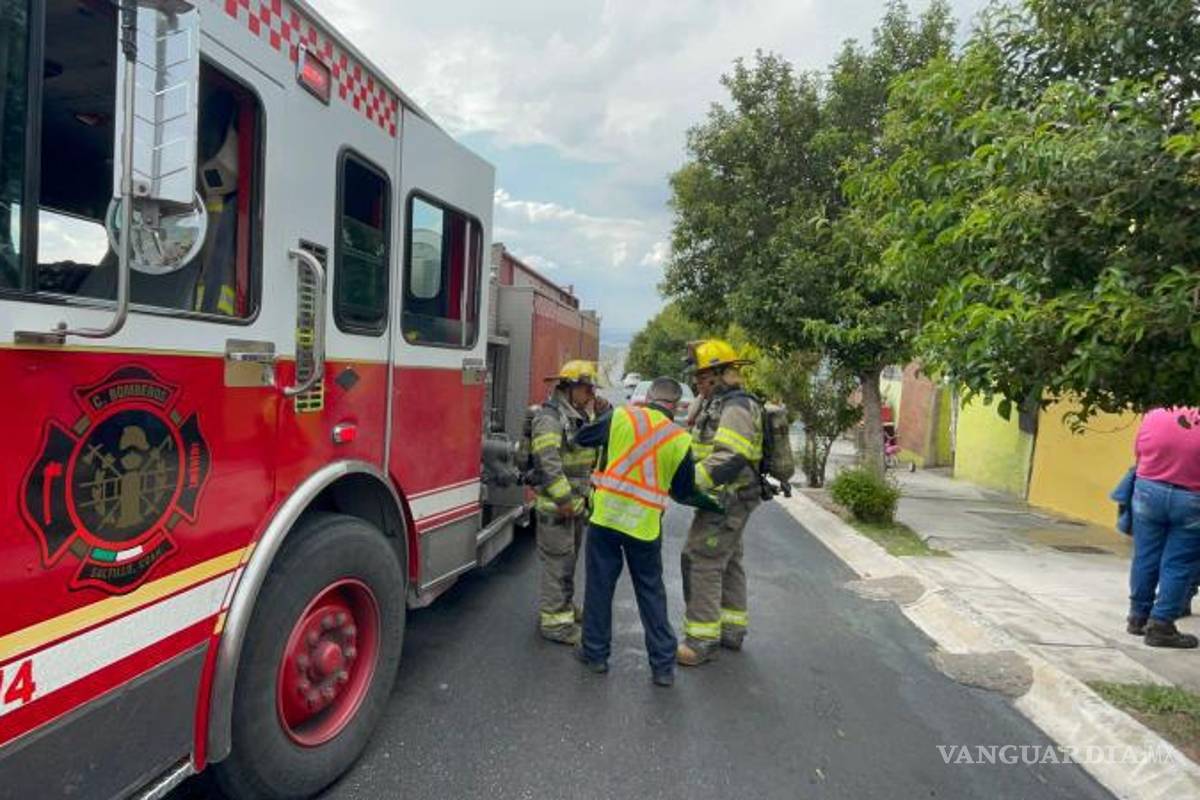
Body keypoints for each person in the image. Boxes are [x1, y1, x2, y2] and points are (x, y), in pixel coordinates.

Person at [574, 377, 722, 686]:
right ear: (677, 405)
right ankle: (663, 667)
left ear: (649, 397)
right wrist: (709, 503)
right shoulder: (680, 440)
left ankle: (596, 655)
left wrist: (603, 417)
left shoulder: (621, 416)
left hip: (606, 520)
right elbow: (683, 492)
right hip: (643, 527)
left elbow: (583, 438)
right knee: (651, 592)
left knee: (600, 587)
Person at [677, 339, 764, 666]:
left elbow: (731, 457)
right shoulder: (719, 403)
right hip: (729, 497)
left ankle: (701, 641)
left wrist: (690, 480)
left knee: (701, 559)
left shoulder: (736, 407)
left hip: (728, 498)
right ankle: (731, 630)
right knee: (728, 558)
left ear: (719, 373)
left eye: (702, 375)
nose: (696, 381)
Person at [530, 360, 606, 644]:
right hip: (557, 508)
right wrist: (563, 498)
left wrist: (603, 413)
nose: (591, 395)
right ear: (570, 388)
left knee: (568, 561)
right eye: (587, 389)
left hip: (573, 507)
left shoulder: (575, 415)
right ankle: (555, 623)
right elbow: (548, 460)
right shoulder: (550, 418)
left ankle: (564, 606)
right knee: (557, 564)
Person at [1126, 407, 1200, 648]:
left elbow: (1138, 453)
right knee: (1179, 562)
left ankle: (1138, 616)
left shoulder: (1156, 413)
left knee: (1145, 555)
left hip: (1148, 490)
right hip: (1192, 499)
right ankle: (1161, 625)